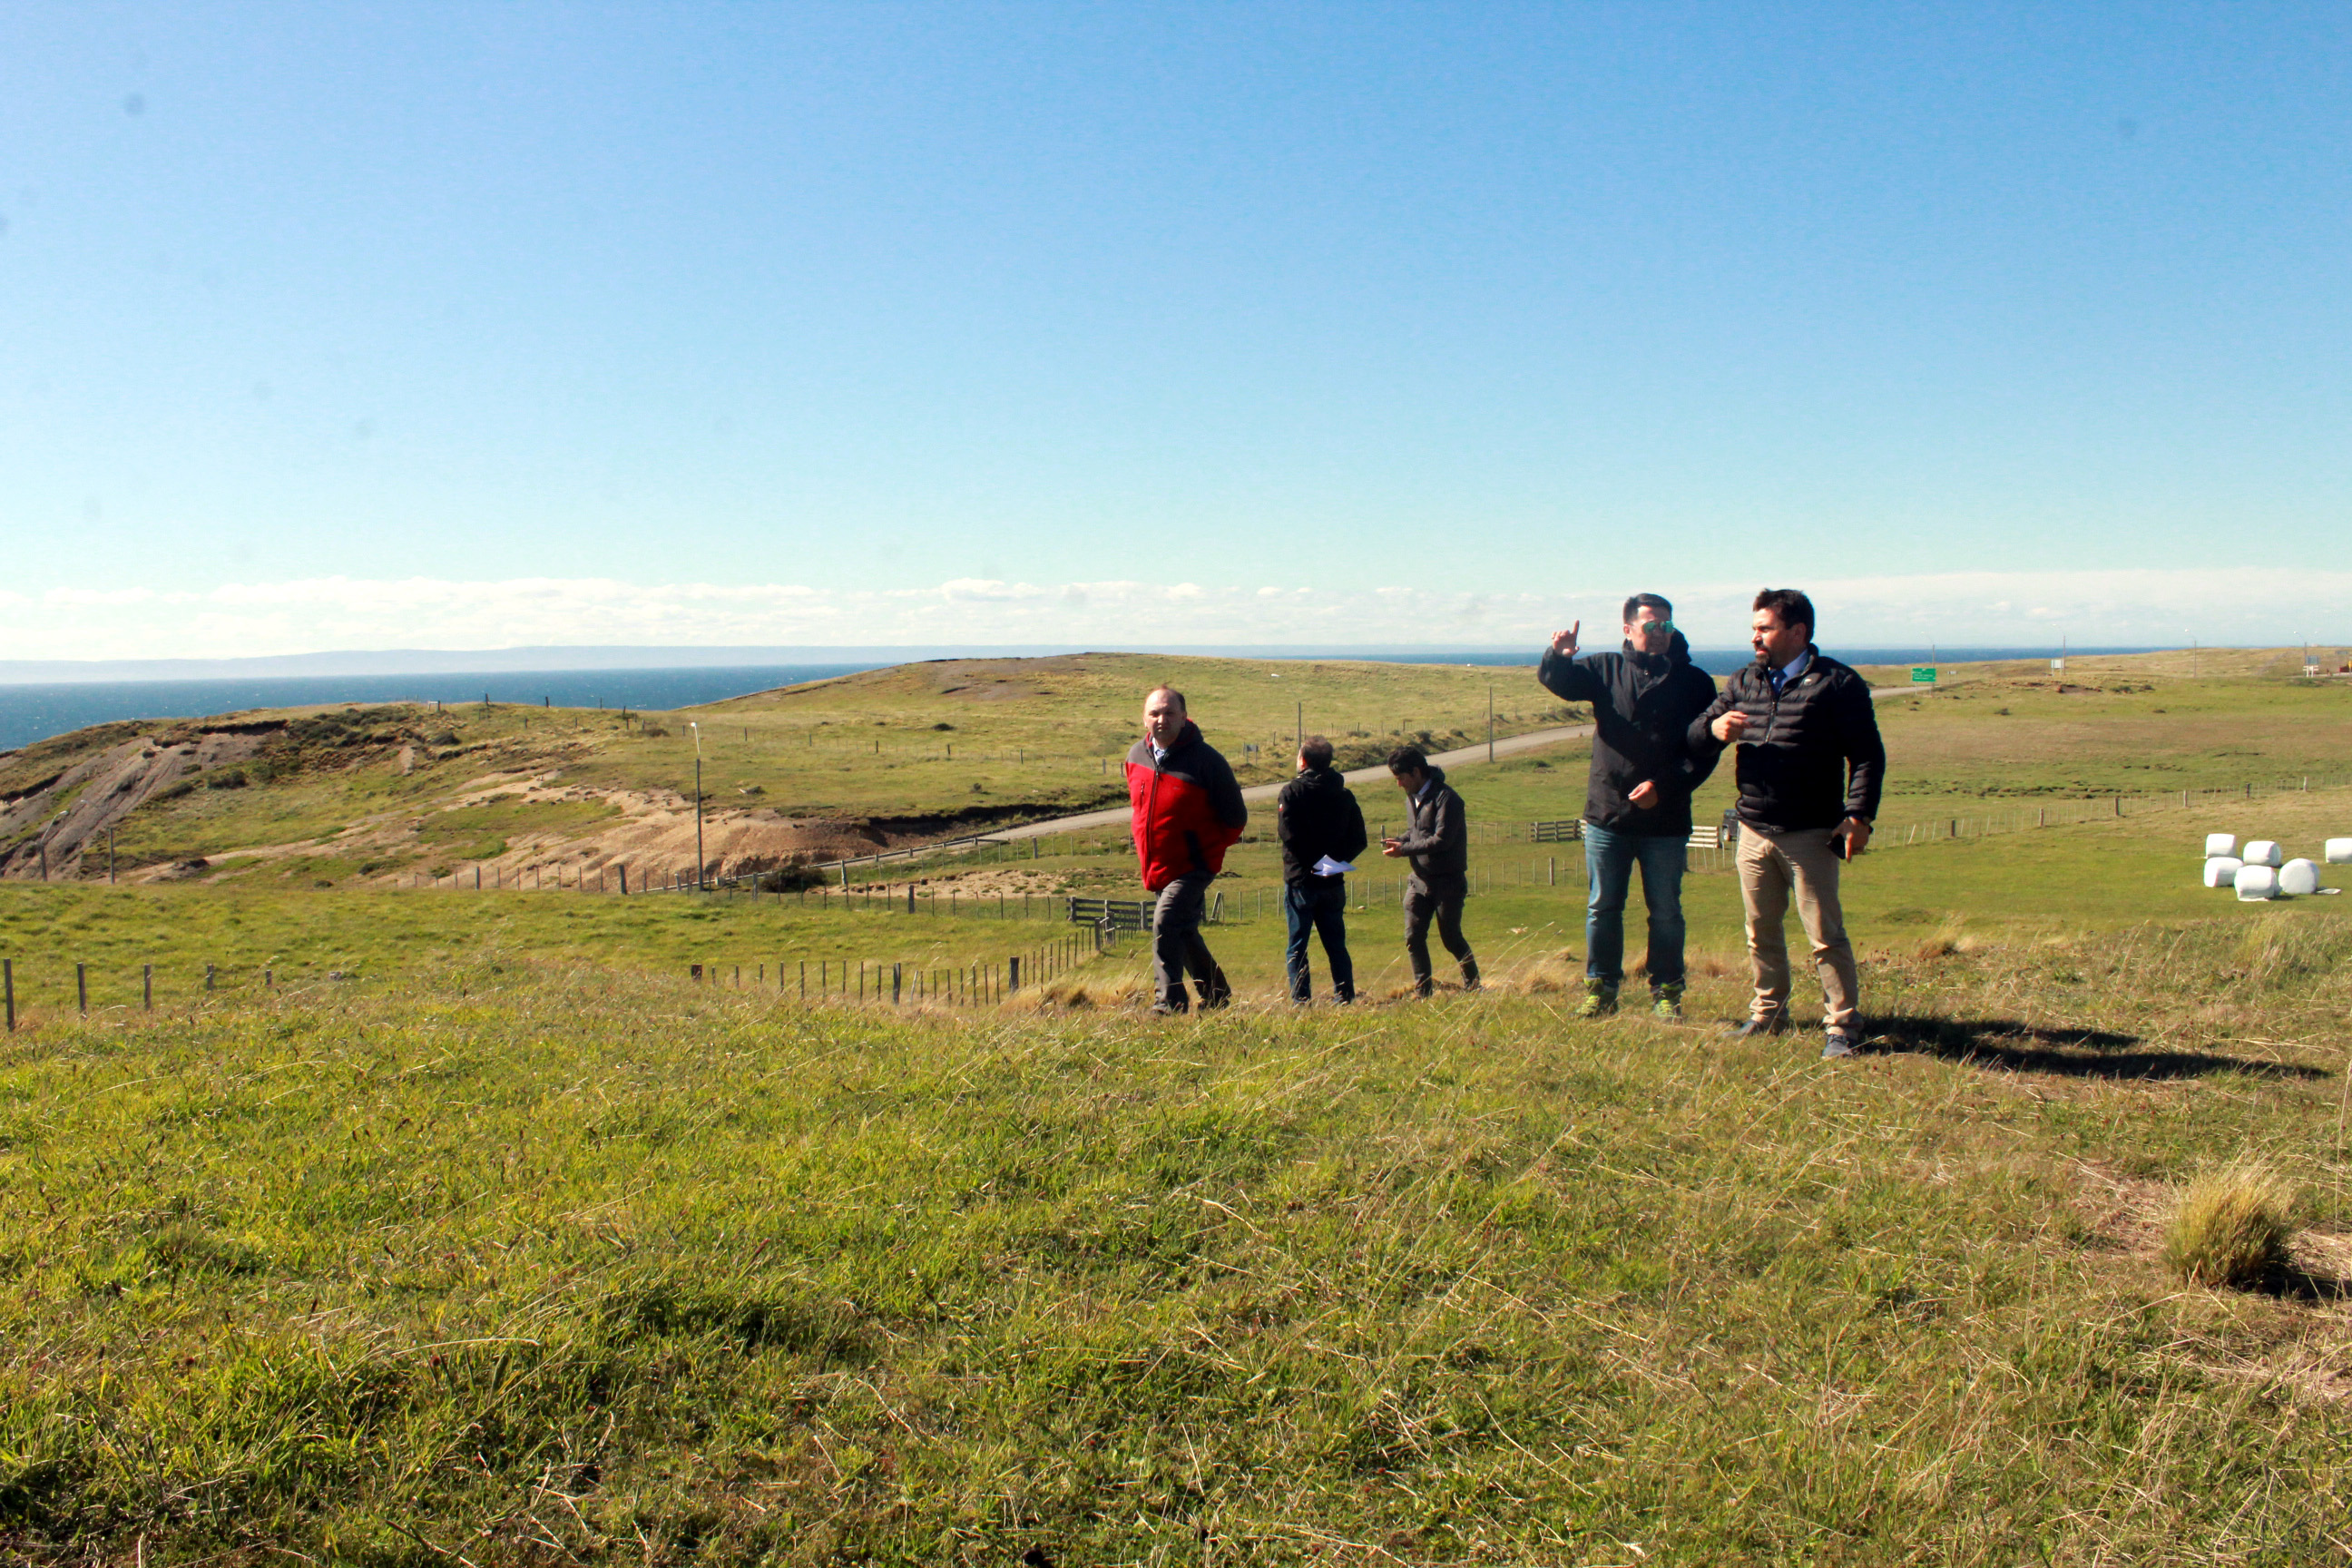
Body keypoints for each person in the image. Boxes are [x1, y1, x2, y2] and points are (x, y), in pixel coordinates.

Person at [1689, 589, 1886, 1058]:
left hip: (1811, 834)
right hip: (1753, 829)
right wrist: (1712, 732)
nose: (1754, 636)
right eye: (1754, 628)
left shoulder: (1837, 683)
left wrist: (1858, 817)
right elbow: (1697, 732)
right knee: (1760, 929)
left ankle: (1841, 1026)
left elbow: (1867, 755)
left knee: (1824, 935)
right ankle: (1768, 1013)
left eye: (1764, 628)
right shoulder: (1744, 681)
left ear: (1797, 631)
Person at [1537, 593, 1720, 1019]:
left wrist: (1666, 787)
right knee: (1603, 907)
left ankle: (1667, 996)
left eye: (1666, 626)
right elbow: (1561, 683)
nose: (1659, 634)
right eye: (1651, 625)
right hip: (1608, 814)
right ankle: (1600, 992)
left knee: (1667, 911)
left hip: (1667, 819)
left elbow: (1705, 751)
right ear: (1628, 629)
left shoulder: (1694, 683)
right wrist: (1558, 656)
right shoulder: (1604, 669)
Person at [1125, 685, 1248, 1014]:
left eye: (1168, 712)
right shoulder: (1135, 756)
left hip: (1194, 866)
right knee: (1183, 930)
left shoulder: (1207, 761)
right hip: (1157, 865)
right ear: (1144, 718)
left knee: (1165, 923)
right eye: (1154, 713)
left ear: (1183, 716)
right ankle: (1217, 992)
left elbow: (1235, 818)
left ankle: (1169, 1004)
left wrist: (1206, 851)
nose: (1161, 719)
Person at [1380, 745, 1480, 998]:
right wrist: (1400, 840)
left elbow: (1441, 840)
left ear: (1416, 772)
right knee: (1413, 937)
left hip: (1448, 882)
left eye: (1401, 778)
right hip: (1419, 881)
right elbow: (1418, 833)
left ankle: (1473, 985)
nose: (1399, 784)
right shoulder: (1412, 797)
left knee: (1451, 939)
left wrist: (1405, 849)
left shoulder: (1448, 799)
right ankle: (1422, 992)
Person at [1276, 735, 1368, 1004]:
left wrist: (1309, 866)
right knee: (1336, 945)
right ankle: (1345, 996)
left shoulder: (1292, 792)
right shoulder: (1343, 795)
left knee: (1297, 946)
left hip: (1300, 881)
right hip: (1331, 879)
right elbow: (1359, 839)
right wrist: (1331, 864)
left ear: (1303, 760)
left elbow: (1288, 835)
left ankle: (1301, 1002)